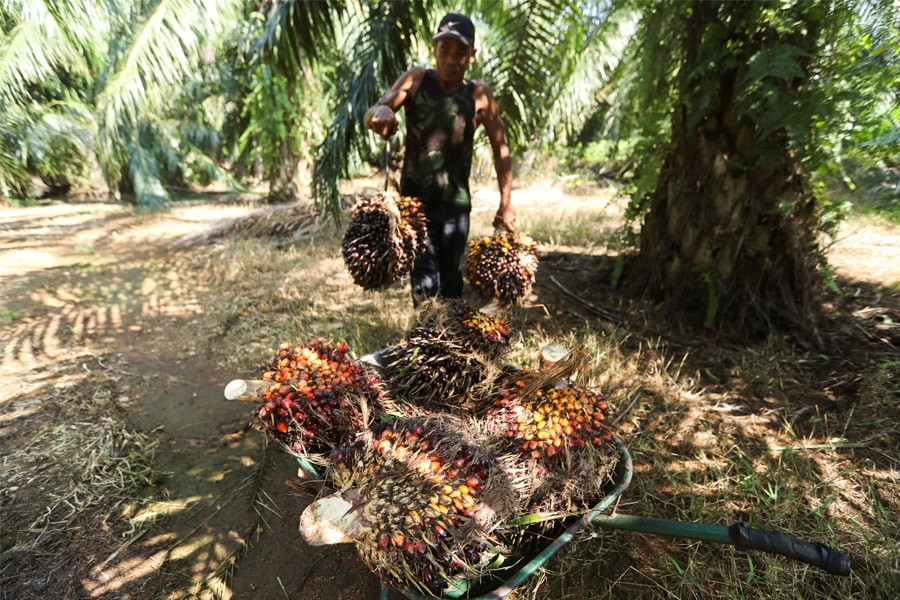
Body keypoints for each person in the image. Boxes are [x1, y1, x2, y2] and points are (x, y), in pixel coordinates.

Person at [363, 12, 516, 305]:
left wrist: (506, 203)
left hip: (455, 206)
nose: (450, 59)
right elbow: (374, 111)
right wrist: (380, 113)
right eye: (444, 50)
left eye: (460, 52)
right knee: (424, 284)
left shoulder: (479, 94)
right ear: (434, 49)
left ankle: (449, 345)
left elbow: (502, 150)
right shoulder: (416, 79)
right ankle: (426, 342)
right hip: (415, 206)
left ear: (472, 55)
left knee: (451, 285)